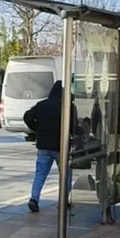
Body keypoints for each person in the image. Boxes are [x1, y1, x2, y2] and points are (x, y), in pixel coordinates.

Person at [23, 81, 81, 213]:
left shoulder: (42, 105)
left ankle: (34, 199)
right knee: (66, 174)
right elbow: (73, 126)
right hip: (61, 146)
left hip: (43, 145)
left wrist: (36, 129)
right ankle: (63, 200)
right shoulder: (67, 106)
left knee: (40, 174)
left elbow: (27, 116)